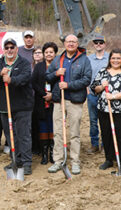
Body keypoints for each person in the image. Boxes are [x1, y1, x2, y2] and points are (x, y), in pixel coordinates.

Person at [46, 34, 92, 175]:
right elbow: (47, 77)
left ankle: (75, 161)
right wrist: (56, 73)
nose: (71, 44)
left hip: (75, 101)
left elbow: (87, 79)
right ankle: (58, 160)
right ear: (64, 44)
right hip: (59, 101)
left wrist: (69, 85)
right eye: (68, 42)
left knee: (74, 133)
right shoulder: (58, 59)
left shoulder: (84, 60)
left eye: (73, 42)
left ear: (77, 44)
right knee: (58, 132)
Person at [0, 38, 34, 175]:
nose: (9, 50)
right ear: (4, 50)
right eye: (7, 47)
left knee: (23, 135)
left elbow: (25, 78)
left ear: (16, 49)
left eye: (12, 47)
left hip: (22, 105)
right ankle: (16, 159)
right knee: (11, 136)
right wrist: (0, 73)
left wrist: (11, 80)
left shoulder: (24, 63)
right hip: (5, 106)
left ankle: (27, 163)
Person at [91, 48, 121, 176]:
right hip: (104, 109)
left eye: (118, 58)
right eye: (113, 58)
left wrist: (113, 96)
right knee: (107, 135)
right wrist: (101, 86)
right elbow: (94, 88)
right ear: (109, 59)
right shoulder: (103, 72)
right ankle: (108, 159)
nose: (115, 61)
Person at [32, 42, 58, 164]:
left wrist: (53, 95)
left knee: (53, 126)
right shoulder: (39, 67)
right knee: (43, 127)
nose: (48, 54)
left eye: (51, 52)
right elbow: (34, 83)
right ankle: (44, 154)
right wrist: (44, 94)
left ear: (55, 54)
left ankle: (52, 153)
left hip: (55, 101)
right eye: (46, 52)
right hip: (41, 101)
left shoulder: (58, 66)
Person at [86, 34, 109, 154]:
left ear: (105, 44)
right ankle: (94, 144)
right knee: (93, 120)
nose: (98, 45)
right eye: (96, 43)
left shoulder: (110, 58)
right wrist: (86, 87)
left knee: (105, 120)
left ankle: (105, 144)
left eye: (101, 42)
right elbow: (85, 74)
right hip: (92, 94)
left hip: (106, 94)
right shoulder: (89, 59)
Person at [31, 47, 44, 155]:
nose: (37, 55)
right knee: (32, 124)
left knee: (40, 124)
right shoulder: (29, 67)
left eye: (40, 53)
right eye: (35, 53)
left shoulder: (45, 66)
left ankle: (41, 147)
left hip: (40, 98)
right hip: (28, 99)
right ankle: (33, 146)